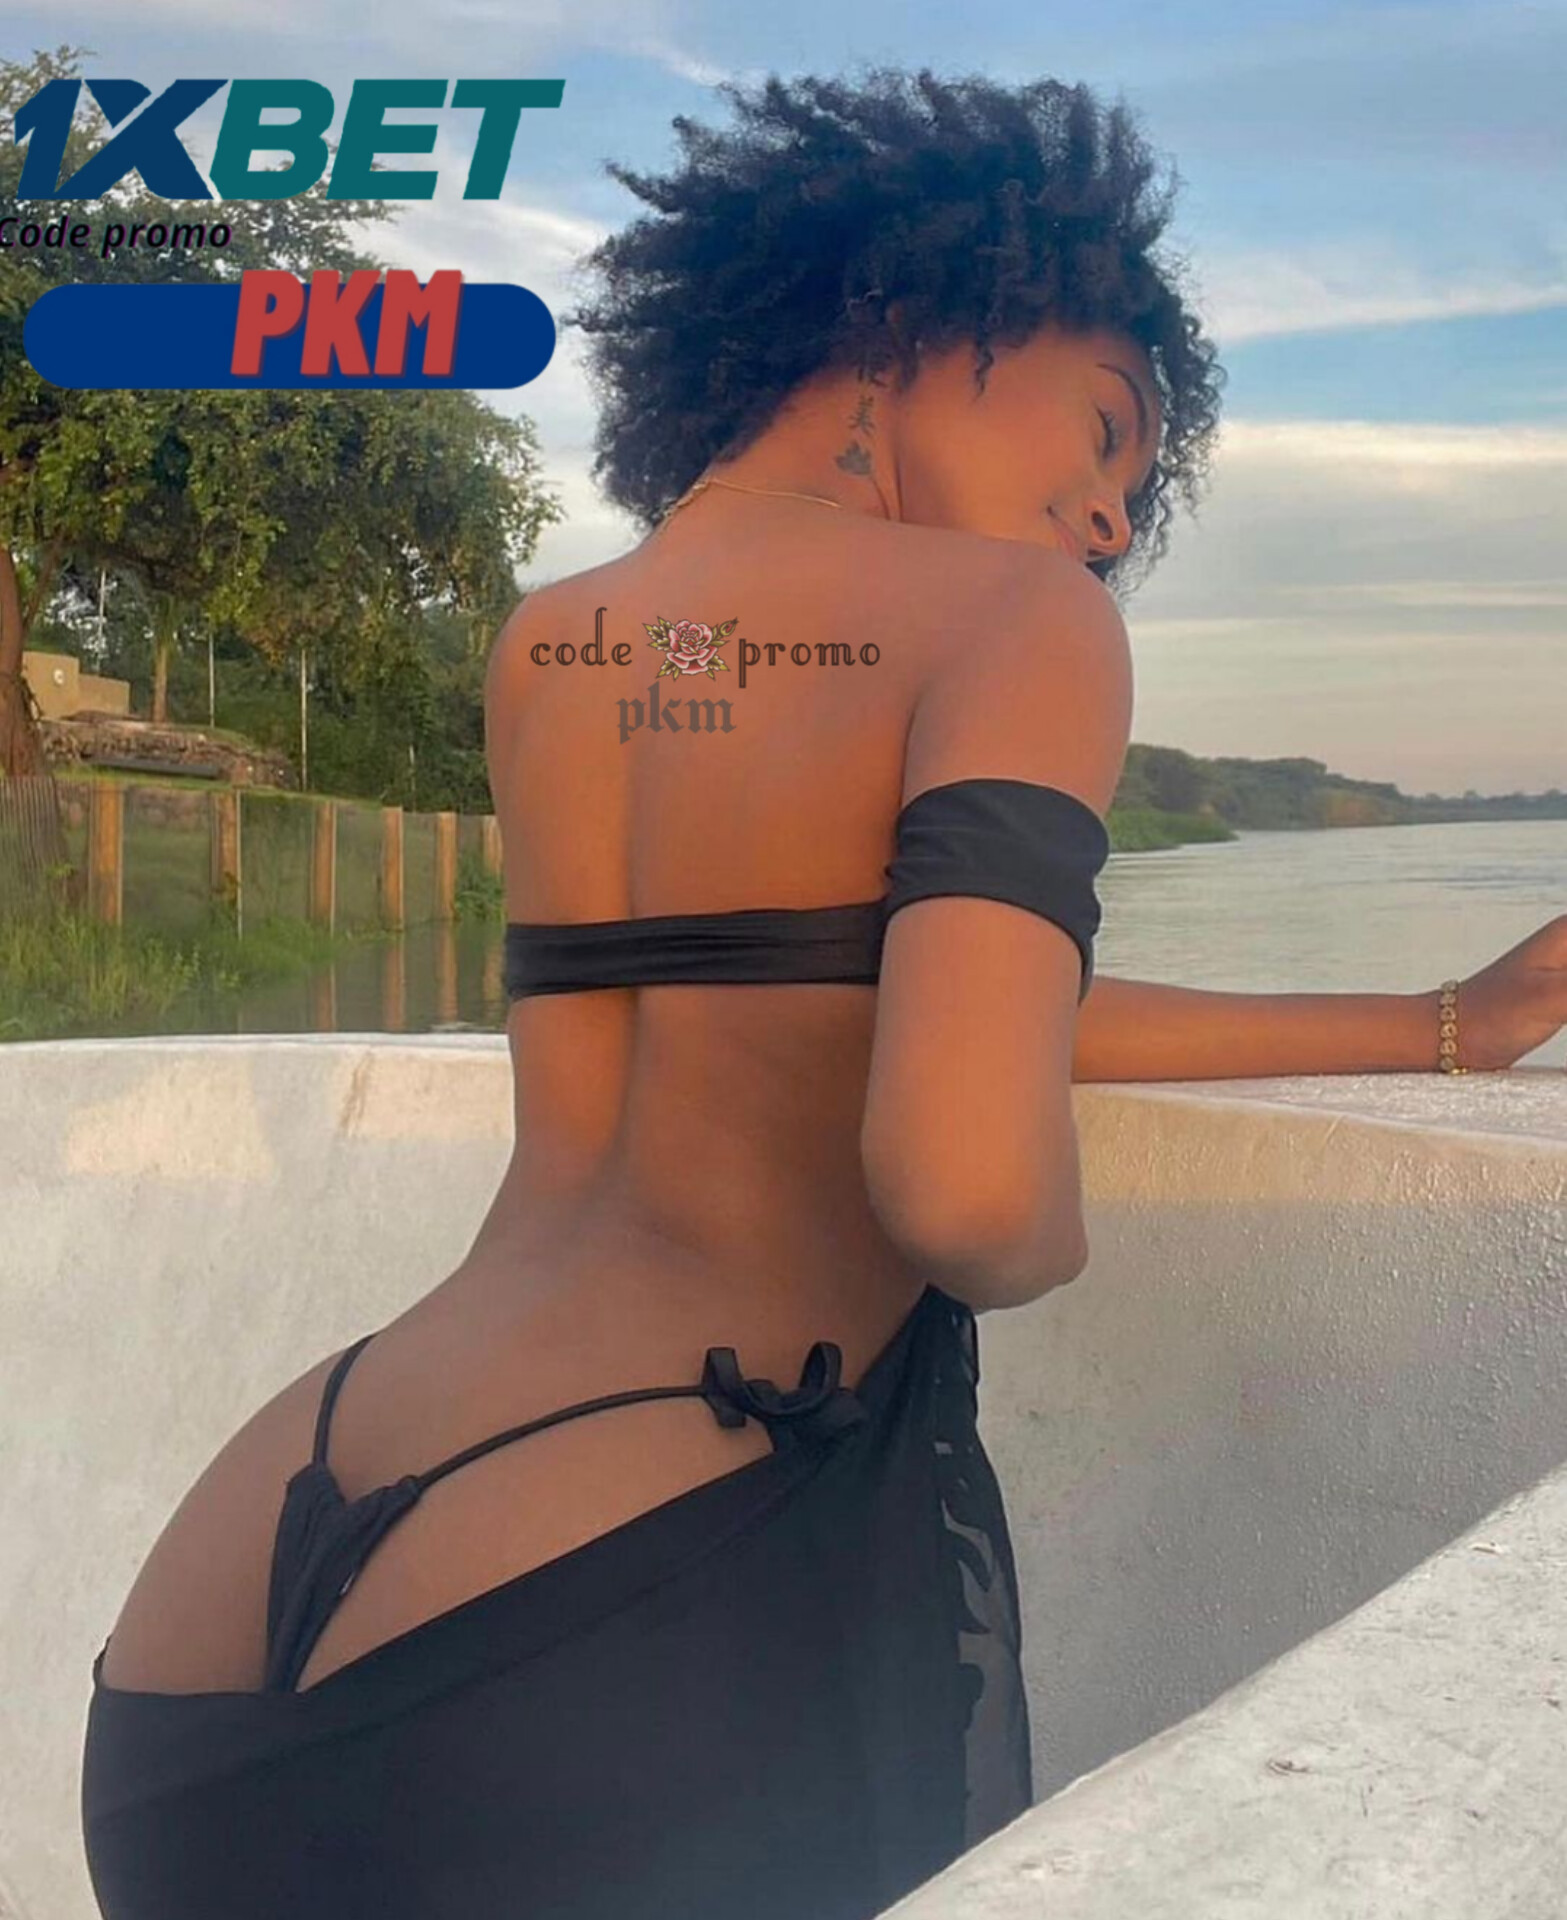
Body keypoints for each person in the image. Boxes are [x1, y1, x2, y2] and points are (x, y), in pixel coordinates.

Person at [78, 64, 1567, 1920]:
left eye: (1135, 492)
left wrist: (1439, 1026)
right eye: (1107, 429)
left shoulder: (559, 640)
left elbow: (863, 998)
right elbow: (968, 1188)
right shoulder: (1015, 624)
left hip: (236, 1593)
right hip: (624, 1581)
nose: (1112, 521)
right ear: (912, 314)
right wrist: (1044, 1224)